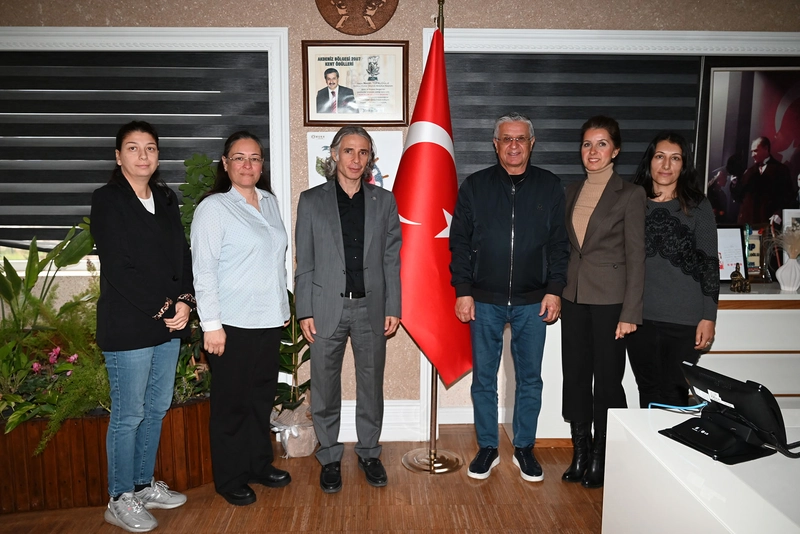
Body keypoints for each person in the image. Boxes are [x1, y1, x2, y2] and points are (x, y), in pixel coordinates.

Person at [449, 112, 569, 483]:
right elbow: (459, 243)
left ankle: (524, 448)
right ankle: (488, 447)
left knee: (530, 379)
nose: (513, 145)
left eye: (520, 139)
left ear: (531, 144)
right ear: (495, 144)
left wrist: (554, 290)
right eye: (506, 139)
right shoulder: (475, 186)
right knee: (484, 379)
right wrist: (464, 291)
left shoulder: (550, 186)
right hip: (484, 300)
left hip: (534, 301)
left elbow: (559, 244)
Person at [91, 121, 194, 532]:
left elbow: (182, 255)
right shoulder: (108, 200)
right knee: (129, 414)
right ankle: (119, 499)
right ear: (118, 157)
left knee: (156, 408)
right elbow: (118, 267)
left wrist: (185, 301)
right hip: (129, 324)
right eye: (133, 148)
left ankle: (141, 485)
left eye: (150, 147)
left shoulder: (166, 198)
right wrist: (164, 307)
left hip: (168, 323)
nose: (143, 155)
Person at [295, 125, 401, 494]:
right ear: (334, 154)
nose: (356, 159)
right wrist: (304, 309)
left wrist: (393, 305)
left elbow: (391, 260)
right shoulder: (311, 201)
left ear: (370, 158)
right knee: (325, 386)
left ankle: (369, 452)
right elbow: (305, 260)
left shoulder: (384, 201)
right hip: (326, 308)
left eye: (363, 152)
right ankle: (329, 456)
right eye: (348, 151)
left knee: (371, 385)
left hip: (372, 308)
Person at [191, 131, 292, 506]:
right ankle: (230, 477)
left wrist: (282, 309)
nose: (248, 165)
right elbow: (204, 271)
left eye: (255, 158)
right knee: (231, 404)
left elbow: (275, 262)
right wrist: (211, 325)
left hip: (268, 321)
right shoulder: (214, 208)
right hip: (231, 324)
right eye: (239, 157)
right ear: (225, 163)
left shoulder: (269, 202)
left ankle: (258, 465)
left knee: (260, 399)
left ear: (262, 164)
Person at [560, 116, 645, 489]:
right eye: (587, 144)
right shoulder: (570, 191)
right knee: (575, 376)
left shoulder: (630, 194)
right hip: (574, 297)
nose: (592, 151)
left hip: (612, 302)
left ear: (616, 150)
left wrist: (631, 312)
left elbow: (637, 258)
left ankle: (602, 455)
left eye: (601, 144)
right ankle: (580, 451)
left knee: (608, 380)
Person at [628, 132, 719, 408]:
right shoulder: (632, 202)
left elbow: (709, 263)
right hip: (639, 318)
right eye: (660, 156)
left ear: (684, 165)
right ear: (649, 161)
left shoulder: (698, 206)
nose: (666, 165)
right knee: (647, 391)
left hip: (684, 320)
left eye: (675, 158)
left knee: (674, 393)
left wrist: (709, 317)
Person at [731, 136, 793, 225]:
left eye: (755, 151)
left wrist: (779, 212)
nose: (752, 155)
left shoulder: (781, 170)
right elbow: (739, 197)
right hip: (748, 222)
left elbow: (787, 196)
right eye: (751, 152)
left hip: (769, 222)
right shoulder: (749, 172)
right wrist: (734, 184)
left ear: (766, 149)